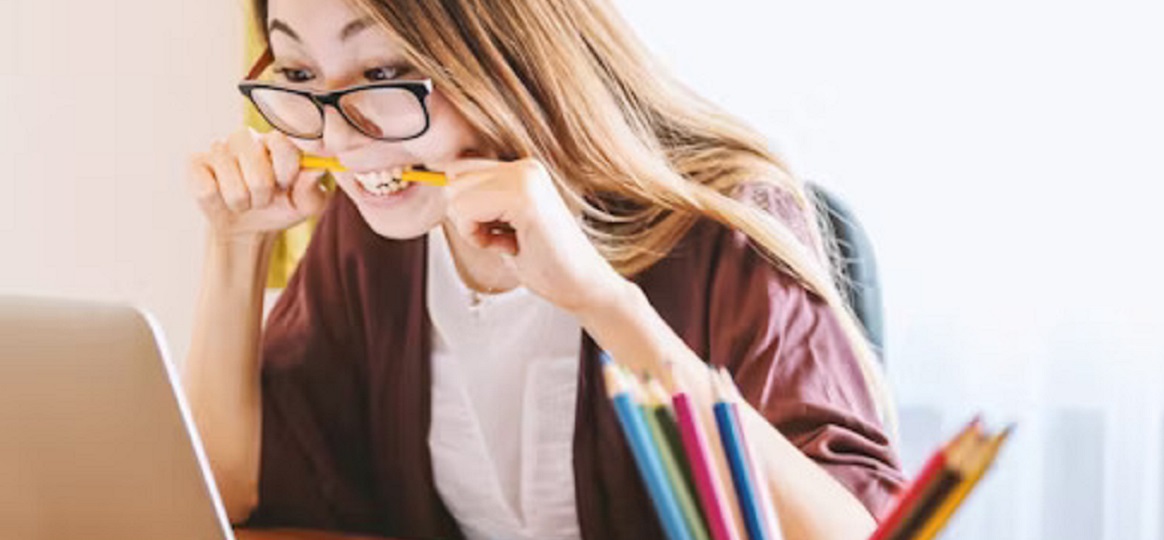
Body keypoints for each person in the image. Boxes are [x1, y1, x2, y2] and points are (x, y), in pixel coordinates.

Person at [183, 0, 906, 538]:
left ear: (508, 53)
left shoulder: (724, 224)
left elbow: (851, 533)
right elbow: (228, 495)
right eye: (302, 73)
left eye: (385, 71)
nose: (339, 136)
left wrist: (603, 303)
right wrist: (237, 246)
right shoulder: (375, 235)